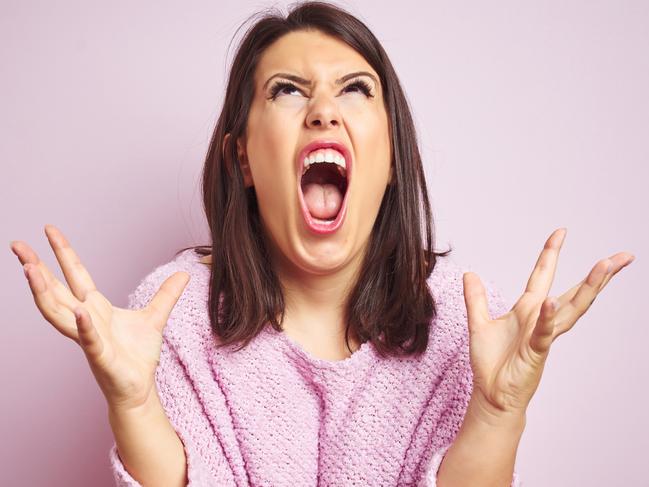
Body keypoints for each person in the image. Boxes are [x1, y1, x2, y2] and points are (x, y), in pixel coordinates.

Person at [10, 2, 635, 486]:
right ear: (243, 158)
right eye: (287, 90)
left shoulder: (460, 323)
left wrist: (498, 415)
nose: (323, 112)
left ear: (392, 157)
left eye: (355, 89)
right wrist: (135, 402)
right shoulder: (173, 313)